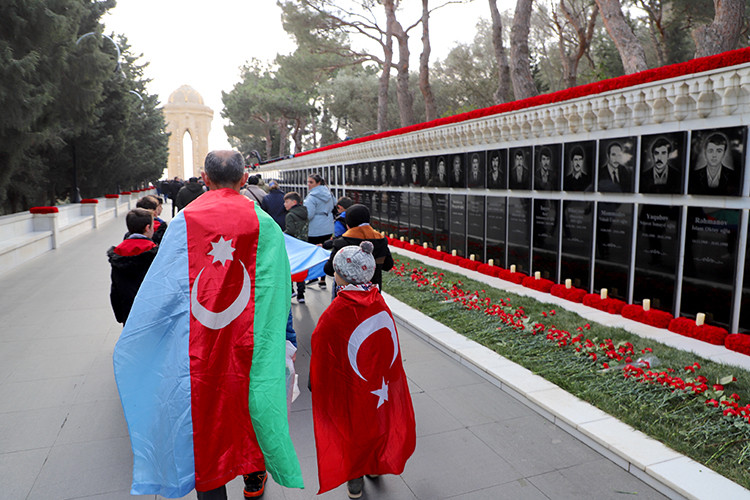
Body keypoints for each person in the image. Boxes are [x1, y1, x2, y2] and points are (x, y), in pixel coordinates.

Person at [113, 150, 303, 500]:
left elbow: (165, 291)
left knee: (206, 420)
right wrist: (286, 339)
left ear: (205, 177)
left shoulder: (185, 222)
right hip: (250, 346)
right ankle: (253, 476)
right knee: (250, 408)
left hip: (198, 350)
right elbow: (277, 292)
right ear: (244, 179)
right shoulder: (265, 225)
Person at [310, 242, 416, 498]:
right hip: (378, 384)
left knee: (350, 428)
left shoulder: (338, 310)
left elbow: (321, 345)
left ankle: (355, 477)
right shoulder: (378, 302)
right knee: (374, 421)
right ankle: (374, 465)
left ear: (341, 276)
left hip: (348, 384)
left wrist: (316, 379)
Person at [323, 204, 394, 293]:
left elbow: (329, 269)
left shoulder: (341, 242)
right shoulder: (381, 240)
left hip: (347, 295)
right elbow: (388, 265)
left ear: (348, 224)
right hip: (372, 293)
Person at [107, 208, 158, 324]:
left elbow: (114, 289)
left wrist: (120, 315)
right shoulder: (155, 251)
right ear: (147, 228)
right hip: (152, 311)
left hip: (128, 311)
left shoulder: (118, 253)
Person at [304, 174, 334, 288]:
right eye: (308, 182)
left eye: (311, 182)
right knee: (324, 252)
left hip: (314, 229)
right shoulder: (329, 194)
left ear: (318, 183)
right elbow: (333, 206)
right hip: (327, 227)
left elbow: (309, 214)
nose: (308, 184)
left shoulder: (311, 197)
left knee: (313, 252)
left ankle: (313, 277)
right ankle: (323, 279)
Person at [284, 191, 309, 303]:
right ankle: (301, 294)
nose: (284, 204)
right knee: (302, 268)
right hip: (303, 244)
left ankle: (291, 290)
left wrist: (282, 234)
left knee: (290, 267)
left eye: (286, 201)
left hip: (293, 245)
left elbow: (291, 231)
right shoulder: (305, 212)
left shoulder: (290, 215)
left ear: (294, 202)